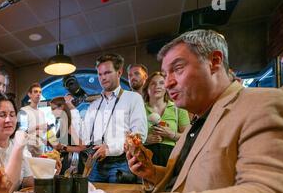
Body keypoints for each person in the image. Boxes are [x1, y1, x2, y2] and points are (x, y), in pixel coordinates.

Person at [95, 29, 283, 193]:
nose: (168, 83)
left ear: (214, 61)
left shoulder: (264, 104)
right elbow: (197, 181)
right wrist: (154, 173)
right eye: (166, 74)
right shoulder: (196, 123)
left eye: (177, 69)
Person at [70, 53, 147, 183]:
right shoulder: (94, 105)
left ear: (119, 72)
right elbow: (84, 135)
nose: (103, 78)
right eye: (100, 74)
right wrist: (72, 110)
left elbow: (139, 136)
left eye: (107, 73)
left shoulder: (133, 98)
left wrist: (110, 148)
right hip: (95, 163)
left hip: (122, 163)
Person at [142, 71, 190, 166]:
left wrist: (172, 134)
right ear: (147, 88)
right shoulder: (139, 108)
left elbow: (188, 137)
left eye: (161, 83)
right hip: (145, 158)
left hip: (171, 158)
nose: (157, 86)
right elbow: (128, 136)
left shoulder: (178, 108)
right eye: (153, 83)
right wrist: (145, 140)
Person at [49, 96, 85, 174]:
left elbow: (82, 147)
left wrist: (63, 147)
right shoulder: (62, 123)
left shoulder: (70, 125)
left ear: (62, 108)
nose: (52, 112)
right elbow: (59, 146)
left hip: (72, 164)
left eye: (54, 109)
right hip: (64, 162)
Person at [18, 83, 47, 157]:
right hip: (27, 149)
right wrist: (37, 127)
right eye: (35, 91)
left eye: (40, 92)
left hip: (40, 149)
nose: (38, 94)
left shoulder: (42, 113)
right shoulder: (23, 110)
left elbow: (43, 132)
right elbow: (21, 131)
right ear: (29, 94)